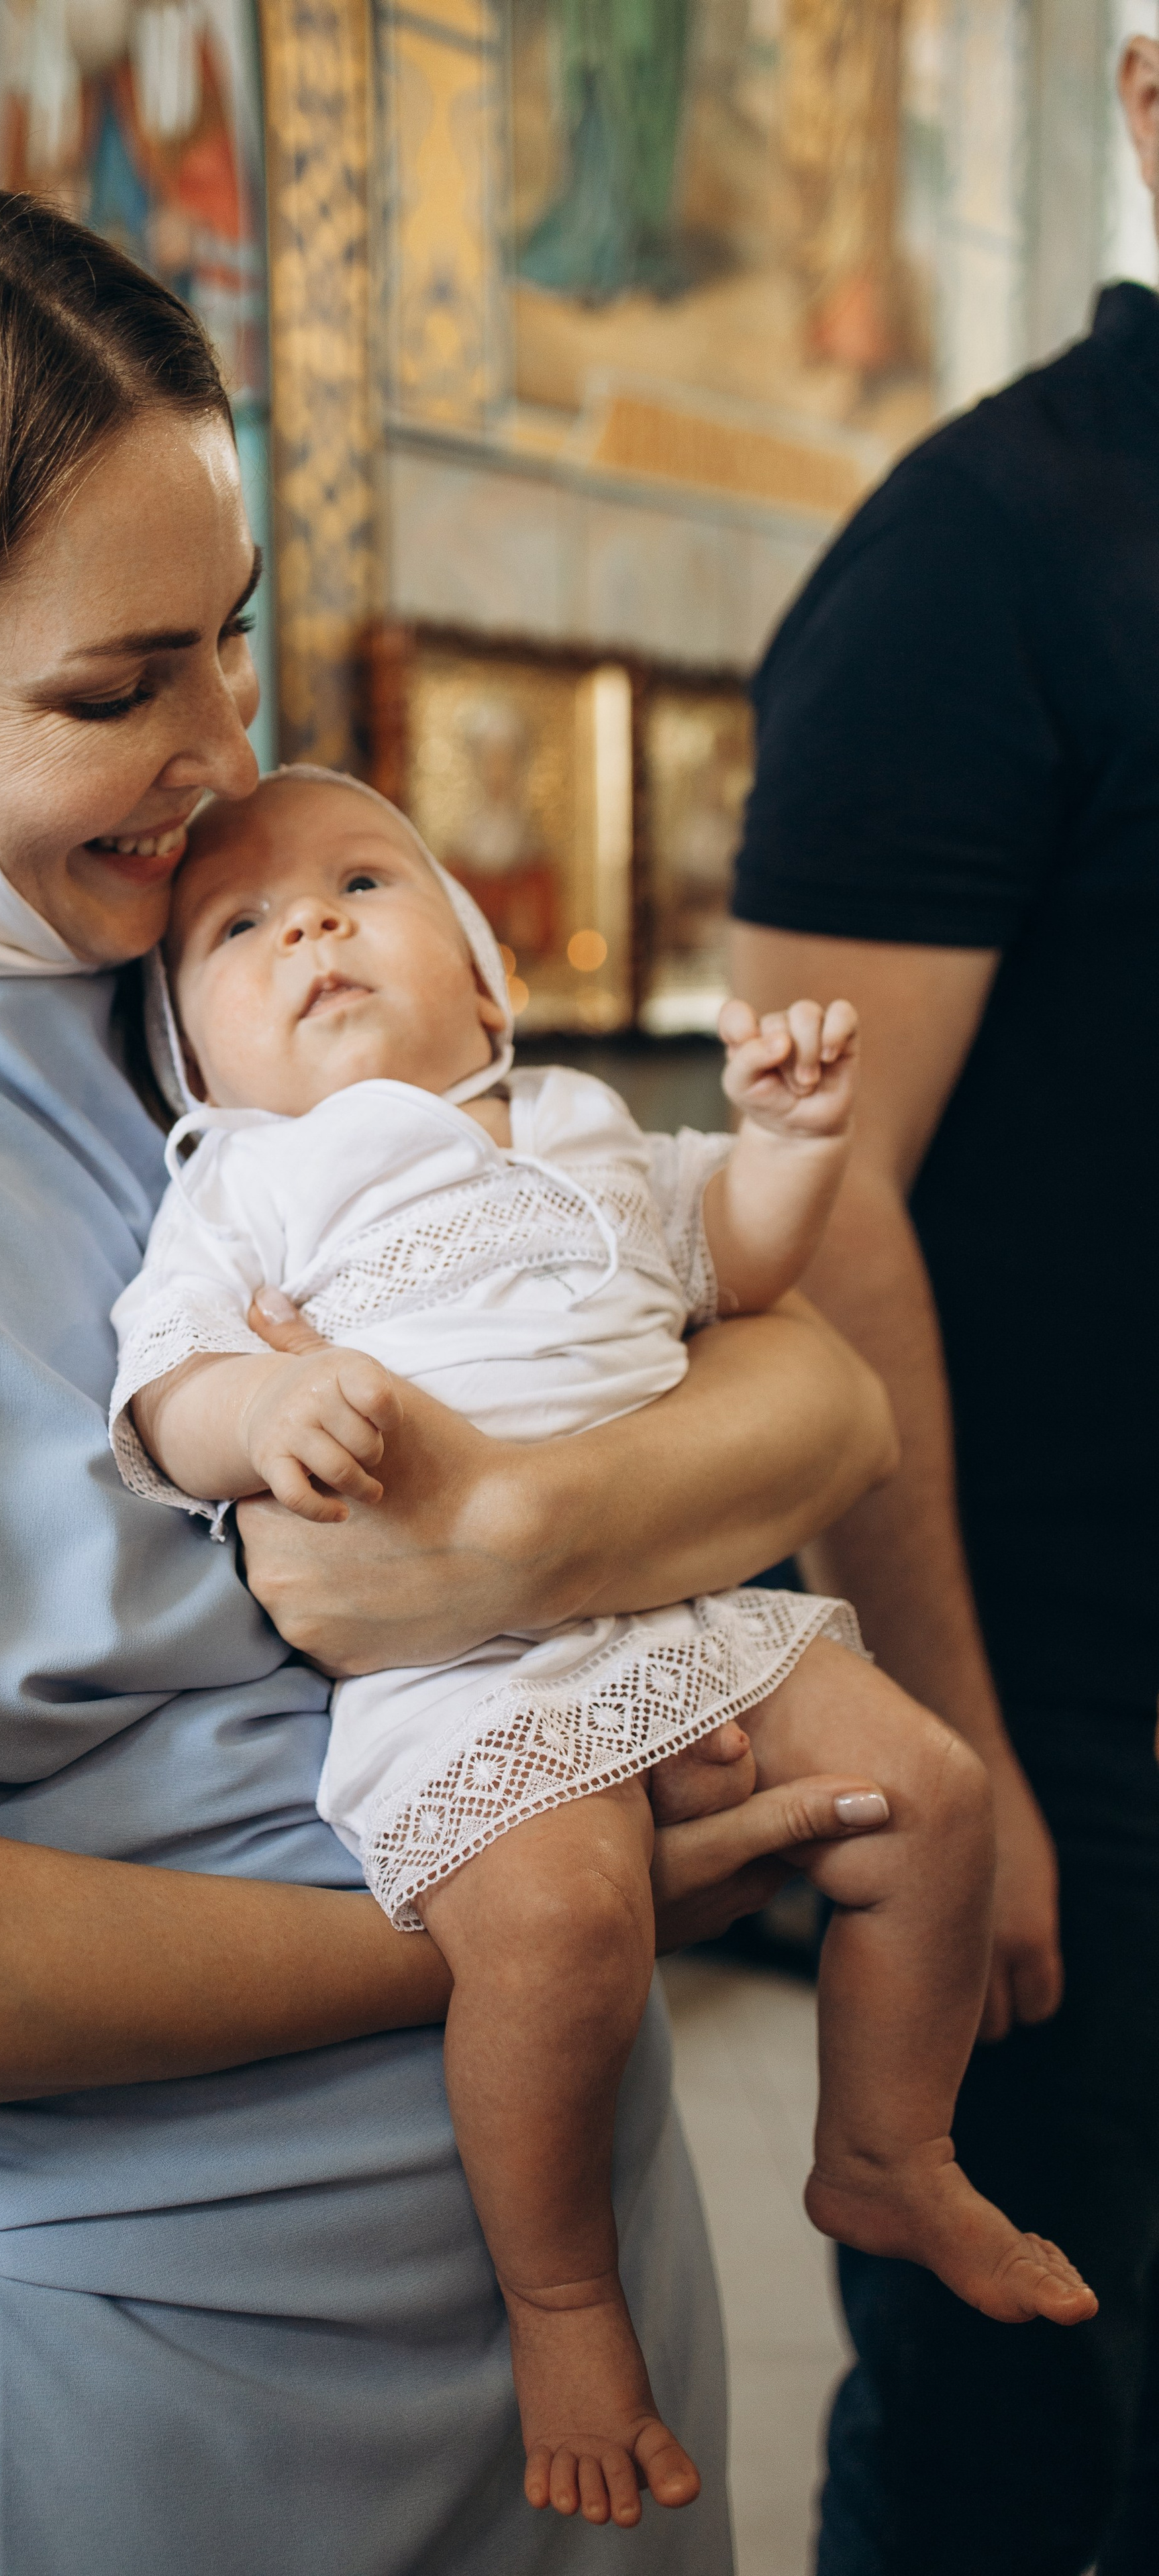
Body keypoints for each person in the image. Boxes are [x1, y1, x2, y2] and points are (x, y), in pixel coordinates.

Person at [0, 186, 900, 2576]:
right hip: (151, 2321)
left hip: (559, 2196)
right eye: (112, 691)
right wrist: (510, 1909)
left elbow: (800, 1378)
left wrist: (535, 1541)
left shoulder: (205, 947)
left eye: (220, 648)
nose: (221, 756)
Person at [110, 767, 1095, 2530]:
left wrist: (791, 1148)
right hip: (462, 1679)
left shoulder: (571, 1123)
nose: (312, 927)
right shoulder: (241, 1191)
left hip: (691, 1616)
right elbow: (165, 1390)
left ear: (488, 983)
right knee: (561, 1928)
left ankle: (885, 2153)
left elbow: (738, 1263)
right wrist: (268, 1405)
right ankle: (563, 2306)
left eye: (359, 884)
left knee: (928, 1799)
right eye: (239, 929)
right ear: (195, 1061)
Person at [729, 37, 1159, 2576]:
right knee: (1029, 2448)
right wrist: (952, 1757)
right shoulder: (983, 553)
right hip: (1081, 1724)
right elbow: (821, 1211)